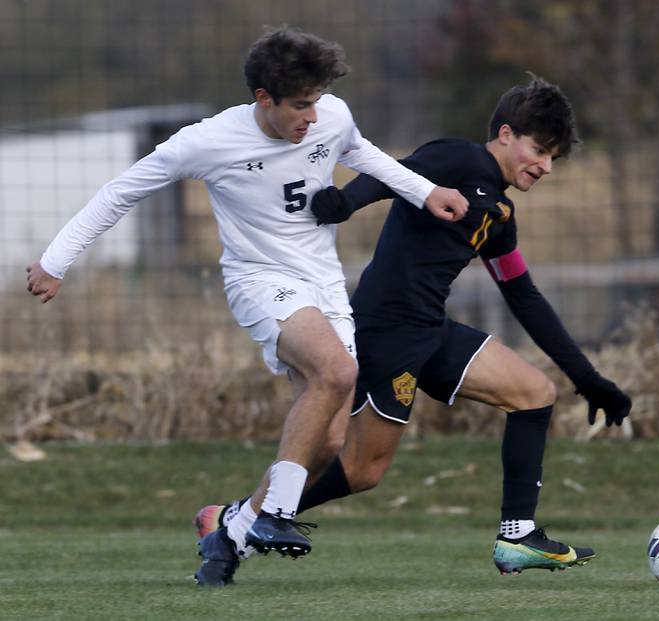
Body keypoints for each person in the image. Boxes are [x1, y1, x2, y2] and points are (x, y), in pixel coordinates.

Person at [24, 26, 468, 587]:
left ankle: (229, 534)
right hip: (259, 280)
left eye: (317, 100)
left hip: (323, 283)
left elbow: (360, 151)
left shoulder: (330, 115)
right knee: (338, 370)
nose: (313, 115)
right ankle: (275, 515)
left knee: (327, 444)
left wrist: (426, 191)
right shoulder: (206, 141)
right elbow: (121, 192)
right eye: (300, 105)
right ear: (264, 98)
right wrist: (56, 261)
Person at [196, 74, 632, 579]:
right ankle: (235, 522)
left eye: (554, 157)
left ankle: (518, 539)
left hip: (430, 329)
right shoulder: (458, 158)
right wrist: (344, 203)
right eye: (540, 150)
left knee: (534, 394)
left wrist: (587, 377)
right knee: (362, 471)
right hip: (387, 331)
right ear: (506, 134)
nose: (546, 166)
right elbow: (389, 173)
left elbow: (524, 297)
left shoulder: (499, 213)